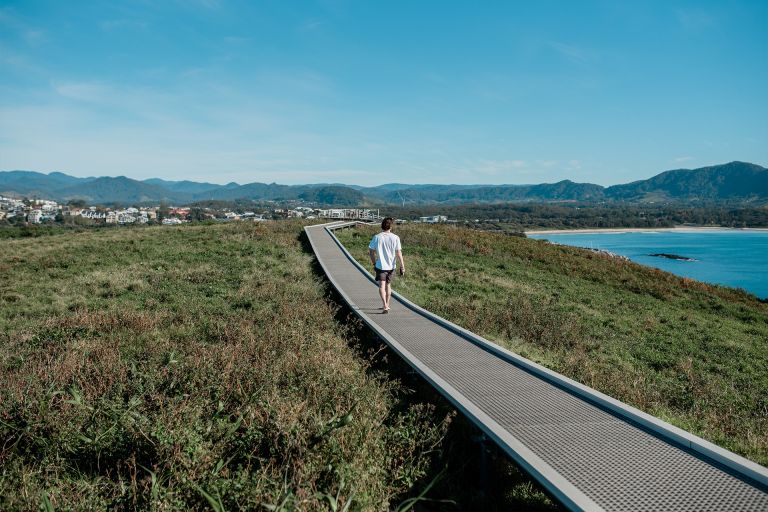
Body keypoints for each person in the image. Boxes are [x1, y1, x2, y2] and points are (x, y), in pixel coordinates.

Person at [368, 217, 405, 313]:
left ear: (382, 226)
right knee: (388, 285)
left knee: (381, 286)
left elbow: (371, 252)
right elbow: (399, 253)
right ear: (391, 227)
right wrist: (402, 266)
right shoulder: (396, 237)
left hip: (380, 266)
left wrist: (374, 262)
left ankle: (384, 305)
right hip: (391, 266)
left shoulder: (377, 237)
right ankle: (387, 304)